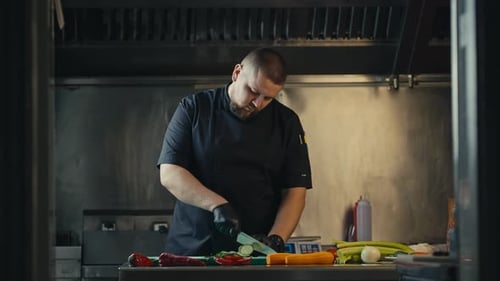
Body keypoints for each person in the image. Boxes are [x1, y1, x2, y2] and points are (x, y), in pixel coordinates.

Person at [157, 47, 312, 256]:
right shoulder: (194, 109)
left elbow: (295, 192)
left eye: (268, 98)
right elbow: (170, 173)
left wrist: (276, 238)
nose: (257, 104)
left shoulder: (287, 123)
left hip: (254, 255)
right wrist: (217, 205)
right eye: (253, 92)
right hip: (191, 251)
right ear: (237, 73)